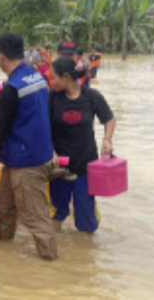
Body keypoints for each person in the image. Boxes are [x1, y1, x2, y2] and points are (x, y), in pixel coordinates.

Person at [0, 33, 59, 261]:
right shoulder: (37, 77)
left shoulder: (11, 89)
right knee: (2, 204)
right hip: (28, 155)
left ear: (1, 58)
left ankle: (52, 267)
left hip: (27, 163)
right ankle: (4, 255)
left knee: (35, 218)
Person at [48, 57, 116, 233]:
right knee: (55, 212)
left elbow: (109, 118)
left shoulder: (92, 96)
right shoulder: (51, 98)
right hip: (59, 168)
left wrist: (107, 139)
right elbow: (42, 128)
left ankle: (86, 256)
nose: (51, 81)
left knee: (86, 219)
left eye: (54, 77)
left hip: (85, 166)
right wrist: (50, 151)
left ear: (66, 78)